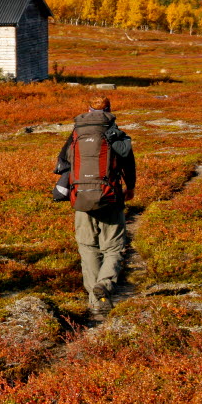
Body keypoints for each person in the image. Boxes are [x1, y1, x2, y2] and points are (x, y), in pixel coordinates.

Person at [56, 96, 136, 315]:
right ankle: (105, 286)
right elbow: (128, 162)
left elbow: (63, 164)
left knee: (87, 247)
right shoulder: (115, 134)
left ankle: (94, 299)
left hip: (80, 199)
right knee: (113, 248)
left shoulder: (75, 135)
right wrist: (130, 187)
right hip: (110, 197)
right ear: (109, 109)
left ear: (87, 109)